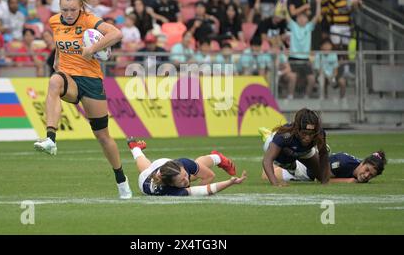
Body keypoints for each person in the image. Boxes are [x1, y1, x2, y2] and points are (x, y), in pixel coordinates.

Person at [33, 0, 132, 199]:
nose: (68, 14)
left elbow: (116, 33)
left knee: (103, 136)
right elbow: (60, 43)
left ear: (80, 8)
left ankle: (121, 179)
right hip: (69, 77)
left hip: (92, 82)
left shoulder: (88, 20)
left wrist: (92, 49)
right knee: (54, 82)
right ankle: (50, 138)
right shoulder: (54, 21)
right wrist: (58, 59)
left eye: (72, 10)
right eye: (64, 10)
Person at [126, 137, 247, 196]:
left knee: (195, 168)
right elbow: (205, 190)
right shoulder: (173, 191)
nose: (186, 179)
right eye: (181, 180)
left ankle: (218, 158)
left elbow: (210, 176)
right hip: (144, 180)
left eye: (184, 175)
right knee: (145, 168)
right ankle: (135, 148)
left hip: (164, 164)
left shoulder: (182, 164)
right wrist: (230, 182)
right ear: (172, 185)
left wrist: (194, 185)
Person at [259, 128, 387, 183]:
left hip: (310, 164)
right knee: (265, 176)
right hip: (305, 171)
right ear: (363, 162)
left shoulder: (357, 167)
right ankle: (269, 138)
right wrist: (347, 181)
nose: (366, 175)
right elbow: (321, 179)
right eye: (367, 170)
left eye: (371, 175)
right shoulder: (343, 163)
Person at [261, 108, 330, 186]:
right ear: (297, 129)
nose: (307, 138)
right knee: (286, 161)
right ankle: (267, 136)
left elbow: (324, 155)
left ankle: (294, 166)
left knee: (321, 176)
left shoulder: (319, 133)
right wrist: (275, 182)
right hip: (281, 150)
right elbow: (267, 160)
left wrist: (325, 182)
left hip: (303, 150)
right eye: (304, 133)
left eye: (311, 134)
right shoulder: (285, 134)